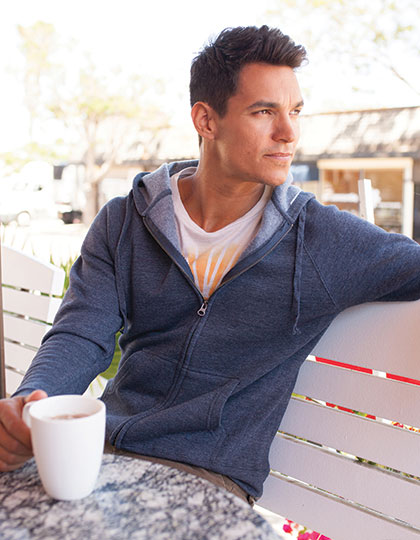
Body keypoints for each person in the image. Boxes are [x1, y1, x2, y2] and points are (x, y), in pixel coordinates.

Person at [1, 25, 420, 504]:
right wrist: (29, 406)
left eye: (295, 111)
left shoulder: (318, 239)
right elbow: (81, 335)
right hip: (105, 455)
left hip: (208, 481)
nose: (289, 133)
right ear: (206, 120)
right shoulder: (125, 221)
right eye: (265, 111)